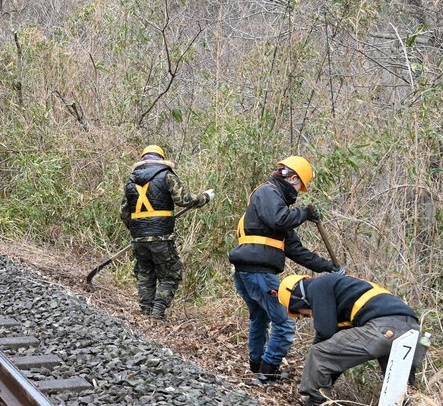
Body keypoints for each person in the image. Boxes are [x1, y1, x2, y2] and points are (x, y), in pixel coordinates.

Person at [228, 156, 344, 384]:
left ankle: (257, 365)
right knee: (284, 322)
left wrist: (328, 267)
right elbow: (279, 220)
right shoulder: (268, 192)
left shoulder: (275, 204)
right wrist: (305, 214)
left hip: (250, 272)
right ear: (293, 179)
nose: (299, 192)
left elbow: (296, 250)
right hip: (257, 272)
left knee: (260, 317)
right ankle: (267, 372)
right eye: (301, 186)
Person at [278, 273, 422, 406]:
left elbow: (325, 334)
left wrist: (313, 378)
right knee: (399, 390)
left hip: (384, 326)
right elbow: (336, 356)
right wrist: (323, 376)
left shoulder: (317, 286)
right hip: (411, 329)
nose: (305, 316)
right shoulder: (343, 295)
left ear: (297, 299)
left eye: (300, 313)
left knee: (318, 353)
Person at [119, 145, 214, 320]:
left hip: (138, 238)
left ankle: (146, 312)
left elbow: (124, 213)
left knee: (145, 272)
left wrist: (137, 230)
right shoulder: (167, 175)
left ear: (142, 159)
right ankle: (158, 311)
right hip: (161, 236)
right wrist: (205, 197)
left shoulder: (131, 180)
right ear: (161, 158)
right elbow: (184, 200)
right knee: (172, 272)